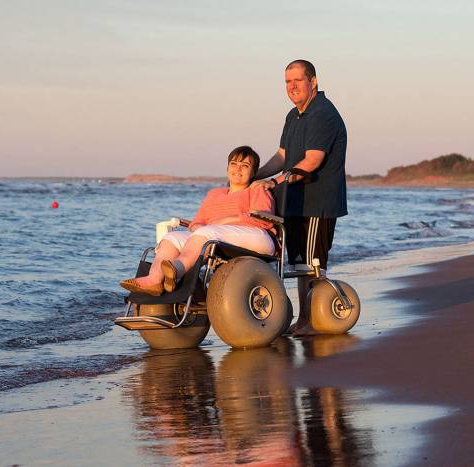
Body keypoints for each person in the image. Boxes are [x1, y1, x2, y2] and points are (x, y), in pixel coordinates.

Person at [252, 59, 348, 335]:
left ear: (313, 81)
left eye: (297, 80)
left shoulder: (322, 114)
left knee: (313, 265)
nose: (292, 87)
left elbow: (313, 160)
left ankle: (316, 320)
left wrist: (277, 181)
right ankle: (305, 320)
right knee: (298, 263)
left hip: (317, 201)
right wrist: (255, 176)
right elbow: (283, 156)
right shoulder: (293, 116)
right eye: (287, 82)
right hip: (294, 201)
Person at [121, 146, 275, 296]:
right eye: (234, 164)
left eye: (245, 165)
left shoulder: (257, 190)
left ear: (254, 172)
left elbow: (263, 220)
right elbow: (197, 221)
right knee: (172, 238)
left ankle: (176, 271)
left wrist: (226, 221)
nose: (238, 169)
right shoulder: (215, 194)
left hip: (258, 237)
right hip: (215, 235)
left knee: (207, 232)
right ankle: (154, 279)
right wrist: (197, 227)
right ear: (227, 168)